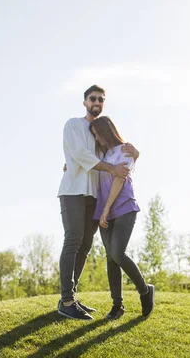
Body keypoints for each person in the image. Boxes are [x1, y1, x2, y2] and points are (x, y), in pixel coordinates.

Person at [57, 85, 139, 320]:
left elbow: (118, 162)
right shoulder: (73, 124)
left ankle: (71, 296)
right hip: (73, 191)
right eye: (93, 98)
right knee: (73, 240)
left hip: (93, 196)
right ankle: (66, 300)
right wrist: (109, 167)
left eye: (101, 99)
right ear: (85, 102)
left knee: (85, 246)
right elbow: (81, 155)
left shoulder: (99, 132)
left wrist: (136, 154)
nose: (97, 102)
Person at [90, 116, 155, 320]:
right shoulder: (101, 153)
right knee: (110, 258)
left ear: (106, 131)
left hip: (123, 207)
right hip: (104, 210)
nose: (96, 139)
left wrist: (106, 209)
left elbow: (119, 179)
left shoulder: (125, 149)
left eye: (97, 134)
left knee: (118, 253)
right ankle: (117, 306)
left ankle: (145, 291)